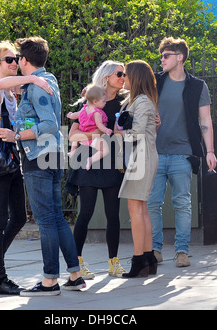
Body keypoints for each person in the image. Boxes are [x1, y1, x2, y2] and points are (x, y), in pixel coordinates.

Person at [0, 36, 85, 296]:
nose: (16, 62)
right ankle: (75, 276)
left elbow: (49, 125)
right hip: (53, 156)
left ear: (24, 60)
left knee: (45, 221)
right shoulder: (48, 81)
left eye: (17, 58)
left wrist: (17, 135)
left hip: (39, 159)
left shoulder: (37, 87)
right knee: (56, 218)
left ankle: (49, 282)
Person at [0, 40, 52, 295]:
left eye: (16, 59)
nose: (14, 63)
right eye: (9, 60)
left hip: (11, 161)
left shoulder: (13, 93)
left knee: (19, 217)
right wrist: (33, 80)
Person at [147, 37, 217, 267]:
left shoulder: (197, 86)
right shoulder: (155, 81)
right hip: (155, 153)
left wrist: (210, 151)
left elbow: (205, 120)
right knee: (152, 203)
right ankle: (155, 249)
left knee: (182, 204)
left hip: (182, 154)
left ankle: (181, 251)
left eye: (166, 56)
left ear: (180, 57)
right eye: (161, 56)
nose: (162, 60)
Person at [67, 60, 127, 279]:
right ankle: (77, 263)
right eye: (119, 73)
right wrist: (99, 135)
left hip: (111, 163)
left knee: (113, 213)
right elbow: (73, 136)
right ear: (107, 76)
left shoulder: (124, 103)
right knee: (86, 212)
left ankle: (114, 261)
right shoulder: (89, 100)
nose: (123, 77)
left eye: (124, 74)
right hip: (88, 161)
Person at [115, 60, 159, 278]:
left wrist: (119, 133)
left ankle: (139, 259)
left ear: (136, 77)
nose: (123, 78)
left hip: (141, 158)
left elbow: (137, 133)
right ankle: (148, 258)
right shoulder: (139, 101)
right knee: (141, 208)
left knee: (136, 210)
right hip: (142, 157)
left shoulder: (141, 102)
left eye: (126, 74)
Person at [67, 84, 113, 170]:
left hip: (81, 137)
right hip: (92, 139)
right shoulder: (97, 113)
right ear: (95, 102)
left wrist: (70, 115)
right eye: (103, 101)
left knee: (75, 139)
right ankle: (91, 159)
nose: (105, 103)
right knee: (105, 150)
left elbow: (76, 115)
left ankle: (73, 151)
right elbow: (100, 125)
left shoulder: (84, 108)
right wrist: (106, 130)